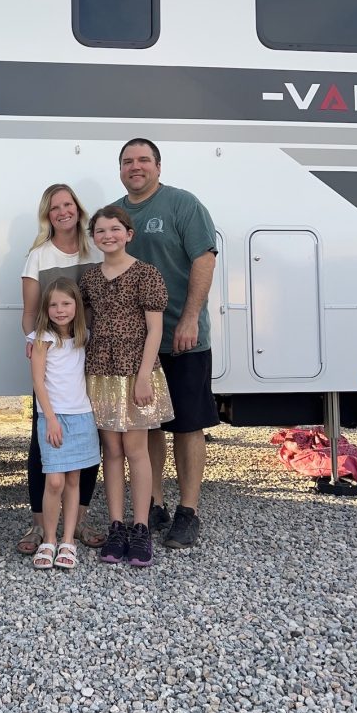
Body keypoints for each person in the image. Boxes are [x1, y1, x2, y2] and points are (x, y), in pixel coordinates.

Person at [114, 138, 219, 549]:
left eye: (143, 160)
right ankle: (154, 502)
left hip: (182, 337)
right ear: (120, 169)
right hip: (137, 345)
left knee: (188, 426)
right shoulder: (117, 213)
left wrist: (191, 316)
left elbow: (204, 259)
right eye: (127, 161)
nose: (135, 167)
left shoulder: (182, 204)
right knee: (148, 424)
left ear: (158, 166)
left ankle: (188, 512)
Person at [79, 207, 173, 567]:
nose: (108, 235)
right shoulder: (90, 279)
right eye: (100, 230)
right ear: (94, 237)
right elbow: (87, 324)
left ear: (129, 233)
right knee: (111, 451)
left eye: (115, 229)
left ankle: (141, 527)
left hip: (136, 371)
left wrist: (145, 375)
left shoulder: (146, 274)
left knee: (136, 449)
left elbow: (155, 330)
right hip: (101, 371)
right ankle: (116, 525)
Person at [17, 184, 105, 555]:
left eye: (68, 204)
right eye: (55, 207)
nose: (63, 211)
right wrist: (35, 341)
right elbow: (30, 312)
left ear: (78, 209)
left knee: (88, 447)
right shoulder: (38, 256)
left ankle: (79, 521)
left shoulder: (97, 249)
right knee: (44, 448)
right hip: (54, 360)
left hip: (94, 357)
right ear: (47, 215)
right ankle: (40, 526)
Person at [29, 278, 101, 570]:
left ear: (76, 307)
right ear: (46, 308)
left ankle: (68, 540)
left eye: (66, 304)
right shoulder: (42, 338)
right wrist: (51, 419)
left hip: (81, 416)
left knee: (73, 480)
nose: (60, 310)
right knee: (55, 480)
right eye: (54, 304)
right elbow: (38, 381)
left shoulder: (83, 337)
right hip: (54, 417)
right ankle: (49, 538)